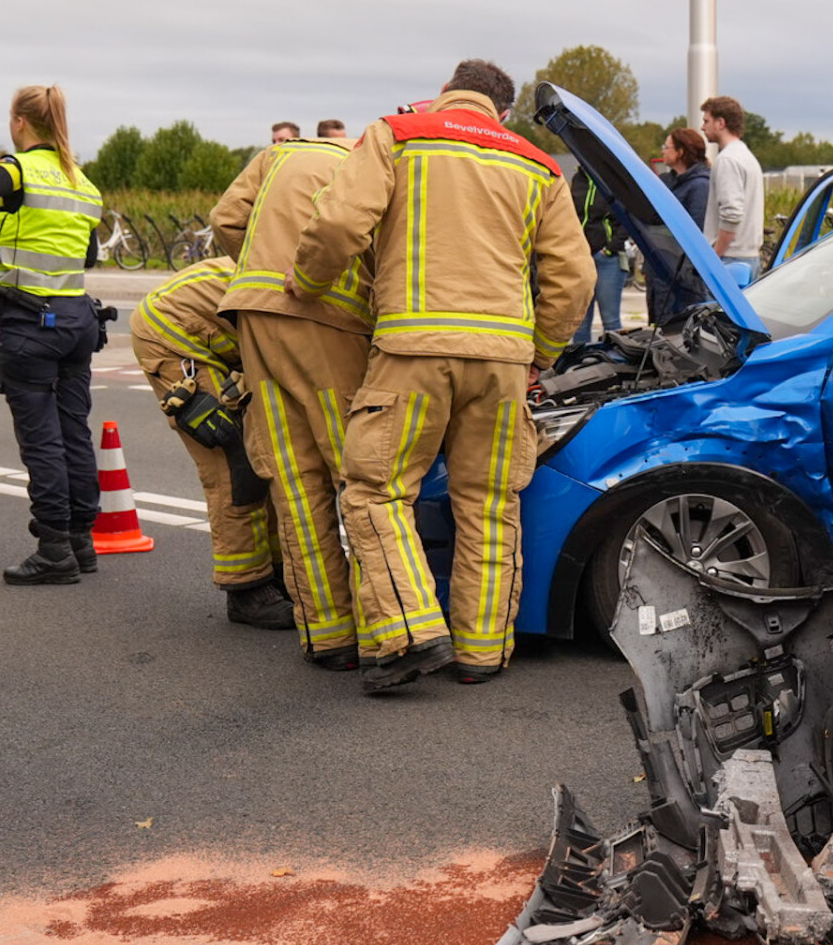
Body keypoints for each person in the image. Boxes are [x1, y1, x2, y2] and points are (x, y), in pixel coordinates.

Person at [290, 59, 593, 692]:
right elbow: (576, 277)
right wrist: (541, 351)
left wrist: (309, 282)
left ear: (446, 90)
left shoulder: (399, 134)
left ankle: (408, 628)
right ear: (502, 111)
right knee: (488, 501)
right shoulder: (538, 165)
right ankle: (481, 653)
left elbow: (341, 224)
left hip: (412, 352)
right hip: (505, 363)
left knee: (376, 490)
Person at [211, 124, 373, 669]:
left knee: (295, 482)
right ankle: (383, 628)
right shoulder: (368, 165)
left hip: (253, 318)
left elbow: (226, 220)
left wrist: (266, 273)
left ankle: (328, 637)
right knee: (355, 475)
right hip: (328, 325)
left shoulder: (277, 156)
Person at [0, 86, 106, 583]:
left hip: (31, 322)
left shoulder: (18, 169)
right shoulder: (83, 183)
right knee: (74, 432)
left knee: (42, 441)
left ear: (19, 123)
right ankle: (81, 541)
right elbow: (88, 257)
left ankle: (54, 550)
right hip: (78, 320)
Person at [126, 256, 294, 628]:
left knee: (265, 455)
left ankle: (278, 571)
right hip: (173, 338)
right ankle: (247, 589)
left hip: (218, 336)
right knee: (233, 460)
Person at [648, 128, 711, 325]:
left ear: (681, 152)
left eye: (666, 147)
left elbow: (694, 233)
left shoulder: (700, 186)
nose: (662, 151)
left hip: (682, 279)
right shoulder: (667, 182)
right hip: (662, 272)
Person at [699, 95, 763, 283]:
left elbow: (732, 214)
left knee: (720, 313)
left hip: (731, 258)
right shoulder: (746, 156)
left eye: (706, 121)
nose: (703, 127)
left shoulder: (728, 160)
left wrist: (715, 256)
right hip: (749, 256)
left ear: (721, 123)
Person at [570, 171, 627, 347]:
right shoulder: (577, 180)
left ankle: (616, 363)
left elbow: (626, 219)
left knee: (610, 321)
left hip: (607, 259)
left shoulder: (611, 182)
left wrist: (610, 248)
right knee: (579, 321)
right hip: (581, 257)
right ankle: (578, 365)